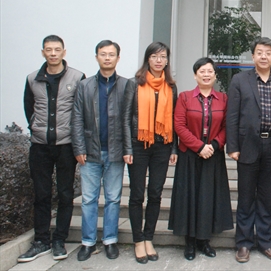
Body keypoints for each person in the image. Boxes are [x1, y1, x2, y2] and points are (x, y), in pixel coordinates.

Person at [19, 35, 85, 263]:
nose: (53, 53)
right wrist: (36, 128)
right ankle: (41, 241)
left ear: (64, 52)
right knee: (42, 194)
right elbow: (29, 108)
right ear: (43, 52)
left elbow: (81, 111)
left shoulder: (77, 77)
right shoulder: (32, 79)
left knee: (65, 194)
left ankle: (59, 240)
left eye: (57, 49)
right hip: (40, 146)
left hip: (66, 146)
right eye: (49, 50)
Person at [226, 37, 271, 263]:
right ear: (253, 56)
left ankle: (265, 242)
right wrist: (233, 146)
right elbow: (232, 115)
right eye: (260, 52)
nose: (264, 56)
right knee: (245, 197)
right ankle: (243, 243)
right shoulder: (239, 80)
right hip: (247, 146)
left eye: (268, 53)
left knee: (266, 197)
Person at [169, 57, 233, 260]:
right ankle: (189, 242)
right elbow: (179, 125)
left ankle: (204, 241)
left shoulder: (223, 99)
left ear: (215, 75)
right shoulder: (185, 97)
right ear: (195, 75)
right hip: (189, 155)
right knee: (189, 198)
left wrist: (213, 145)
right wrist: (199, 147)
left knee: (208, 198)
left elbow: (227, 126)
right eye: (202, 71)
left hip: (213, 155)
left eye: (209, 71)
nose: (206, 75)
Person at [71, 40, 129, 261]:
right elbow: (76, 118)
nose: (107, 58)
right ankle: (87, 242)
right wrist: (79, 147)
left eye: (111, 54)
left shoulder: (126, 86)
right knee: (88, 199)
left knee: (113, 198)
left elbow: (129, 120)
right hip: (90, 152)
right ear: (96, 57)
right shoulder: (84, 86)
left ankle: (110, 240)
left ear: (118, 58)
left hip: (115, 152)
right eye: (103, 54)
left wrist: (127, 148)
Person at [123, 42, 178, 264]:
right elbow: (126, 118)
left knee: (155, 193)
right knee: (137, 195)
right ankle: (138, 240)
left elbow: (174, 119)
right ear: (148, 59)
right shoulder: (134, 84)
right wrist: (127, 148)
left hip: (162, 146)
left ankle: (148, 238)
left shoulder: (171, 86)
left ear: (167, 61)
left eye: (162, 56)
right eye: (154, 56)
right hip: (138, 145)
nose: (158, 60)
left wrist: (174, 148)